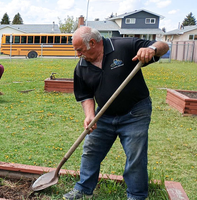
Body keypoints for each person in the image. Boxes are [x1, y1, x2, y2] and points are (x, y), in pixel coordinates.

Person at [63, 26, 169, 200]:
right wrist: (89, 115)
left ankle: (136, 195)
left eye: (80, 50)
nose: (77, 54)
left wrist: (151, 49)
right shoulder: (81, 66)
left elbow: (163, 45)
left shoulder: (124, 46)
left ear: (92, 43)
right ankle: (83, 189)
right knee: (90, 150)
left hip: (135, 112)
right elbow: (85, 95)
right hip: (103, 115)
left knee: (135, 156)